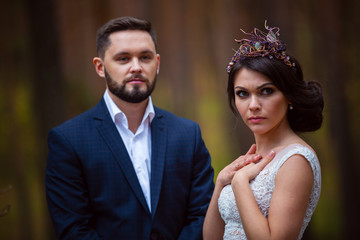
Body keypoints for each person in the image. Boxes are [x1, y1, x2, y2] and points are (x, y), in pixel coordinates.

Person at [45, 16, 214, 240]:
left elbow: (203, 214)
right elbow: (74, 229)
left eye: (145, 57)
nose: (136, 67)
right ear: (100, 67)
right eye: (123, 58)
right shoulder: (68, 140)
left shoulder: (187, 134)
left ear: (158, 63)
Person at [203, 21, 323, 240]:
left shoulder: (296, 160)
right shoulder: (247, 162)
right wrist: (221, 181)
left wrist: (240, 184)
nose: (253, 105)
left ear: (288, 97)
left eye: (266, 91)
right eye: (242, 94)